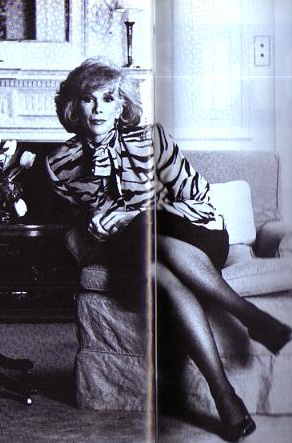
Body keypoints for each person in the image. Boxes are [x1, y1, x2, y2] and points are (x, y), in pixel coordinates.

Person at [46, 58, 291, 442]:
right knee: (155, 267)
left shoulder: (151, 140)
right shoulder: (59, 165)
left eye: (108, 98)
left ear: (121, 105)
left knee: (149, 228)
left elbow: (198, 198)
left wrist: (132, 213)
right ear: (74, 107)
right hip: (134, 255)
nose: (98, 109)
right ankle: (230, 377)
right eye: (88, 99)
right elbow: (77, 229)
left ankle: (231, 373)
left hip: (196, 236)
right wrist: (95, 224)